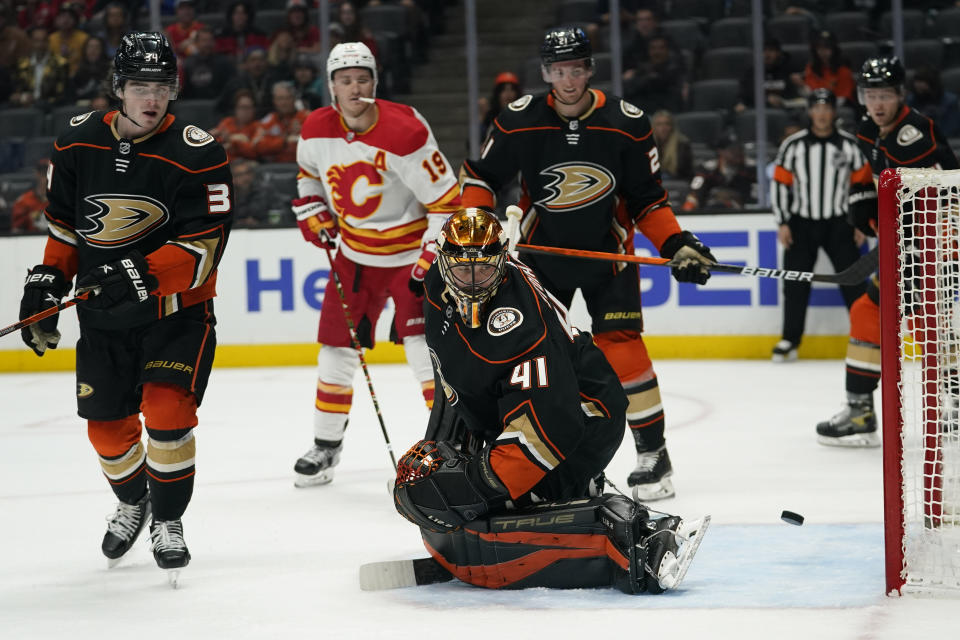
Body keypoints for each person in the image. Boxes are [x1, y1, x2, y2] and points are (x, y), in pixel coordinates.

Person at [391, 207, 710, 594]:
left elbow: (546, 429)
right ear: (443, 261)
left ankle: (634, 540)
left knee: (511, 502)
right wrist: (446, 449)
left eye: (484, 270)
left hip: (584, 415)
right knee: (465, 487)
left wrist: (476, 483)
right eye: (463, 270)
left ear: (502, 262)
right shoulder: (436, 286)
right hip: (510, 404)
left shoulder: (525, 326)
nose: (472, 282)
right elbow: (454, 379)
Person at [459, 27, 716, 500]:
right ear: (545, 72)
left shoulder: (626, 121)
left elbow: (648, 199)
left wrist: (676, 242)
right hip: (541, 256)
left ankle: (653, 456)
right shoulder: (519, 120)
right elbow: (481, 176)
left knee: (622, 350)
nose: (569, 79)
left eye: (576, 68)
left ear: (590, 69)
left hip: (609, 256)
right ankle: (525, 454)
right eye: (559, 70)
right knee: (529, 355)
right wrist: (475, 227)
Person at [17, 32, 233, 581]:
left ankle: (167, 519)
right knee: (106, 433)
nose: (151, 97)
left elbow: (206, 247)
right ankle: (134, 501)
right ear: (119, 88)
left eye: (160, 86)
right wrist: (46, 281)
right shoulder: (75, 143)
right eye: (139, 85)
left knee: (166, 415)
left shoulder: (199, 151)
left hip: (176, 314)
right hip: (104, 318)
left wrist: (141, 272)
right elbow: (66, 227)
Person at [290, 42, 461, 487]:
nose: (355, 87)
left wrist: (428, 258)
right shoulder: (315, 127)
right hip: (355, 257)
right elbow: (307, 174)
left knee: (426, 356)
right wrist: (311, 207)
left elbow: (447, 202)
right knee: (335, 354)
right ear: (330, 87)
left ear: (375, 82)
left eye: (363, 78)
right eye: (345, 80)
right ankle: (326, 446)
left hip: (409, 257)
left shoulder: (405, 132)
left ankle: (450, 448)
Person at [816, 57, 959, 447]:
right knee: (876, 312)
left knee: (927, 324)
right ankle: (861, 408)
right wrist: (862, 202)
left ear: (900, 96)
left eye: (885, 95)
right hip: (907, 243)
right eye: (870, 94)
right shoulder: (869, 129)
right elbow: (870, 172)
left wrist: (876, 218)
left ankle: (951, 404)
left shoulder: (912, 133)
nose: (877, 103)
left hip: (935, 242)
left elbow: (911, 198)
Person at [769, 89, 867, 363]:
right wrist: (783, 221)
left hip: (840, 223)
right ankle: (790, 339)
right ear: (810, 112)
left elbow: (863, 187)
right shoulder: (793, 145)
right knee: (795, 284)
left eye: (826, 108)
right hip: (802, 223)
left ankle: (867, 337)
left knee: (854, 282)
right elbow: (780, 185)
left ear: (834, 112)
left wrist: (862, 222)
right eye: (816, 108)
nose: (822, 114)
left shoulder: (850, 145)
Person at [682, 135, 757, 211]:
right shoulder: (706, 170)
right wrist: (687, 213)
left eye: (740, 149)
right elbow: (694, 195)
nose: (738, 152)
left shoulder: (751, 170)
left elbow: (757, 198)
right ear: (721, 151)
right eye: (732, 150)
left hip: (742, 214)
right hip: (710, 212)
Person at [11, 25, 70, 108]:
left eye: (44, 40)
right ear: (31, 42)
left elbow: (61, 94)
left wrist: (36, 101)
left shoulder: (60, 64)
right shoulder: (22, 64)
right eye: (36, 41)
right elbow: (17, 88)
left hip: (50, 108)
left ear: (48, 42)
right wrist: (21, 97)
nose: (40, 44)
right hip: (25, 108)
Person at [253, 80, 309, 164]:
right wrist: (284, 141)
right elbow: (257, 146)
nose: (284, 103)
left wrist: (302, 132)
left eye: (288, 98)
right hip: (274, 169)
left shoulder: (307, 118)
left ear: (294, 99)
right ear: (274, 101)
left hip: (302, 167)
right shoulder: (268, 121)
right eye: (280, 98)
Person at [180, 27, 235, 101]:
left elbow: (230, 87)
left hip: (218, 105)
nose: (207, 44)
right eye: (204, 40)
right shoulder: (187, 63)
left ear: (214, 42)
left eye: (210, 40)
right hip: (192, 106)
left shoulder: (224, 63)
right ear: (196, 43)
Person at [803, 30, 855, 106]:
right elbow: (810, 91)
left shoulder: (844, 70)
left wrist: (826, 107)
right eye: (819, 48)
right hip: (816, 106)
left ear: (834, 49)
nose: (823, 52)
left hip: (839, 106)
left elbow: (844, 97)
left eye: (827, 48)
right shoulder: (811, 67)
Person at [907, 65, 960, 138]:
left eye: (921, 81)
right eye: (916, 81)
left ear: (932, 83)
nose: (917, 84)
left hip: (944, 140)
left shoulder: (950, 101)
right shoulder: (911, 99)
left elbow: (951, 128)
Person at [210, 88, 259, 161]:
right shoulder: (227, 122)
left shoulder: (257, 126)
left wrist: (231, 141)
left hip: (246, 163)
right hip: (227, 162)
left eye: (249, 107)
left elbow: (253, 152)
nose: (245, 111)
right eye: (242, 107)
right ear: (236, 108)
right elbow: (218, 144)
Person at [651, 109, 693, 181]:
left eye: (667, 124)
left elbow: (685, 171)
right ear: (653, 127)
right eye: (659, 124)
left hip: (677, 182)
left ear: (672, 127)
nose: (663, 128)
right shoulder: (646, 144)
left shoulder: (682, 145)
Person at [10, 158, 49, 234]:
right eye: (44, 174)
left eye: (50, 174)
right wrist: (28, 218)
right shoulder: (24, 201)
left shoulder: (61, 201)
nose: (47, 178)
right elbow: (15, 232)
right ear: (37, 174)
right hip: (30, 242)